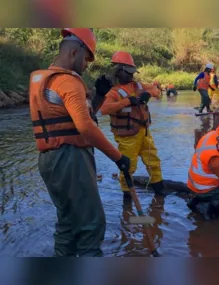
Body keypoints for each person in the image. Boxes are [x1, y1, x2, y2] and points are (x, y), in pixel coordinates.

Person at [29, 28, 131, 257]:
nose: (87, 65)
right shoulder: (68, 82)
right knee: (92, 225)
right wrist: (118, 157)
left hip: (49, 160)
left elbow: (75, 120)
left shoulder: (42, 79)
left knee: (67, 224)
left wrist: (98, 97)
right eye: (86, 59)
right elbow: (85, 127)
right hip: (70, 158)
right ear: (74, 52)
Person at [99, 51, 166, 199]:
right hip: (127, 136)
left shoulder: (137, 85)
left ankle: (160, 192)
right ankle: (127, 199)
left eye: (132, 73)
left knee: (153, 161)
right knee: (129, 167)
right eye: (128, 73)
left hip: (144, 132)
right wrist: (128, 101)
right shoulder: (113, 92)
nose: (131, 76)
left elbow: (156, 90)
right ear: (118, 71)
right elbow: (104, 109)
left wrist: (149, 94)